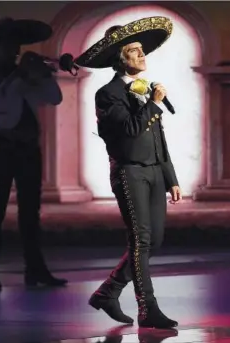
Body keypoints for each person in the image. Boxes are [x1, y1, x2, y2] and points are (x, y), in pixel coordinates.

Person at [75, 16, 180, 329]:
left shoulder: (144, 89)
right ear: (120, 60)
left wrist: (171, 176)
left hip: (155, 173)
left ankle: (108, 292)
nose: (142, 55)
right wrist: (153, 104)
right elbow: (131, 131)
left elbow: (158, 138)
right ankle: (148, 309)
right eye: (134, 51)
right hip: (129, 172)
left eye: (141, 50)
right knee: (141, 241)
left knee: (155, 241)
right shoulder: (108, 94)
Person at [0, 18, 68, 290]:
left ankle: (36, 271)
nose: (15, 48)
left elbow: (55, 98)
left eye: (16, 44)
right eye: (8, 43)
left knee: (31, 212)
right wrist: (20, 75)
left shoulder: (27, 74)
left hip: (29, 147)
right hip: (2, 146)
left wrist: (43, 73)